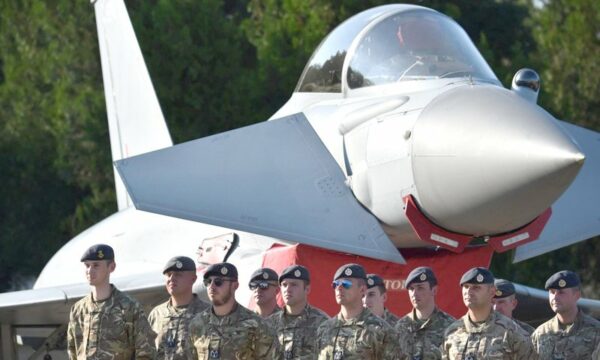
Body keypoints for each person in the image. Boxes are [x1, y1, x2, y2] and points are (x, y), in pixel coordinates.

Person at [67, 244, 156, 360]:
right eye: (87, 265)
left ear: (112, 267)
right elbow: (72, 351)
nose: (89, 270)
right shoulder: (78, 310)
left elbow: (146, 352)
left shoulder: (129, 307)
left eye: (96, 265)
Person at [441, 267, 534, 359]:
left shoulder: (512, 333)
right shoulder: (452, 332)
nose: (469, 292)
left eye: (476, 288)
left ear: (492, 291)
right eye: (466, 287)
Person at [189, 262, 277, 359]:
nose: (212, 286)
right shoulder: (197, 324)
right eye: (208, 281)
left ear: (235, 285)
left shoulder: (257, 326)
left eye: (218, 282)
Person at [316, 263, 403, 359]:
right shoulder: (324, 329)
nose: (339, 288)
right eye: (336, 284)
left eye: (346, 284)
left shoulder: (380, 330)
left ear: (362, 290)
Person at [148, 256, 209, 359]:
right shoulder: (157, 314)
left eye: (178, 275)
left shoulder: (208, 314)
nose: (171, 278)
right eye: (168, 275)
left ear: (193, 279)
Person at [531, 270, 600, 359]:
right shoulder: (540, 334)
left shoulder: (596, 331)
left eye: (561, 292)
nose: (555, 297)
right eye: (552, 292)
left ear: (577, 295)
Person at [268, 264, 329, 359]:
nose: (287, 289)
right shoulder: (270, 323)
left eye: (294, 285)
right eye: (284, 285)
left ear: (307, 289)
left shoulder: (323, 323)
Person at [395, 266, 454, 360]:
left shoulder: (451, 327)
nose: (414, 293)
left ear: (434, 290)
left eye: (420, 288)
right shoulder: (401, 326)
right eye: (411, 289)